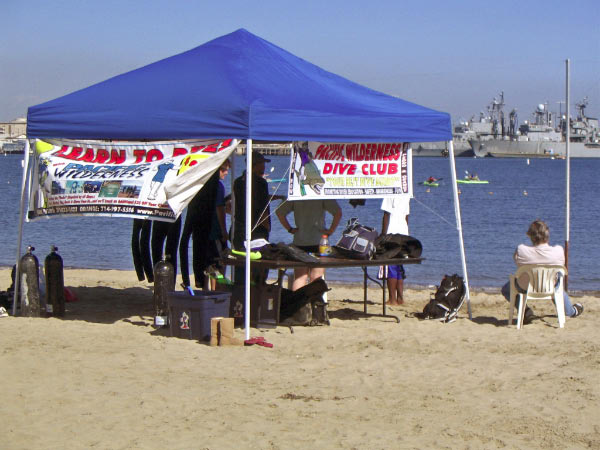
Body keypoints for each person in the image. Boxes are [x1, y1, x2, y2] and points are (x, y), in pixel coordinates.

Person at [501, 220, 583, 323]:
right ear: (547, 235)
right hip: (549, 287)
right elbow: (561, 265)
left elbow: (516, 261)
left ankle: (526, 311)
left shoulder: (521, 250)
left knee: (506, 289)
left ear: (530, 236)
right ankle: (570, 311)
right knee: (557, 282)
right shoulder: (558, 251)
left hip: (525, 287)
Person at [276, 199, 342, 290]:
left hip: (299, 241)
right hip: (320, 242)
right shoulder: (321, 194)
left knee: (300, 277)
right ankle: (314, 303)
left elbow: (279, 212)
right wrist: (331, 230)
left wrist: (290, 229)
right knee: (317, 277)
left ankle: (298, 303)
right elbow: (338, 213)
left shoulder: (296, 194)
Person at [379, 196, 410, 305]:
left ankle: (392, 299)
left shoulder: (389, 193)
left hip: (391, 233)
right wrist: (406, 233)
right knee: (399, 266)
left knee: (390, 266)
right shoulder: (406, 195)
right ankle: (400, 298)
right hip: (403, 233)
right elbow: (406, 216)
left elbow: (386, 215)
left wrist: (383, 234)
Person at [207, 160, 231, 290]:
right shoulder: (218, 186)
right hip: (215, 230)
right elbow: (219, 209)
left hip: (203, 228)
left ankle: (209, 289)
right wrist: (223, 230)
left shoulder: (204, 184)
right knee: (220, 261)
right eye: (224, 170)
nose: (226, 173)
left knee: (208, 262)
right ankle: (217, 289)